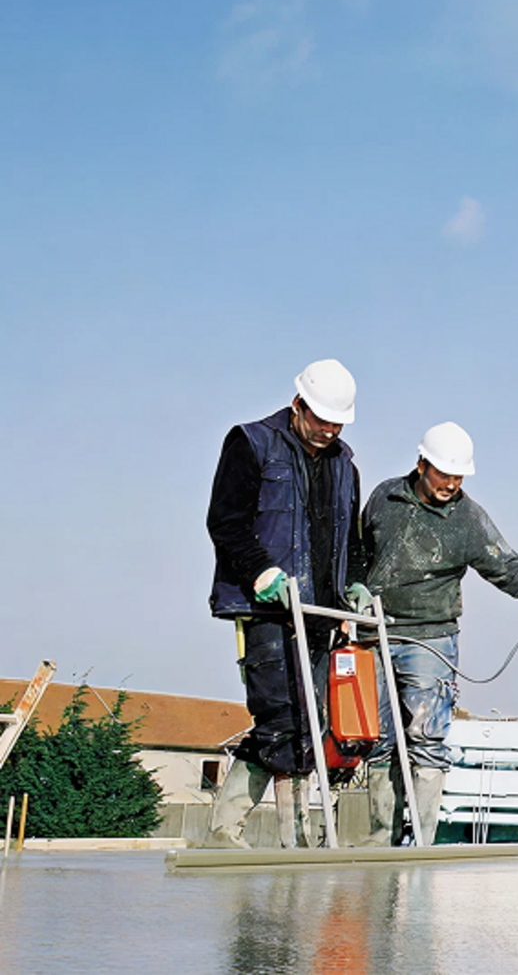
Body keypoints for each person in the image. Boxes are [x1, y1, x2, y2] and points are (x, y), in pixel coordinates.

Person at [355, 421, 518, 845]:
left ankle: (421, 842)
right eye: (444, 474)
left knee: (425, 738)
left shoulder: (468, 519)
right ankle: (381, 841)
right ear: (422, 464)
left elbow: (508, 566)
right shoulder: (384, 497)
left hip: (430, 639)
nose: (451, 484)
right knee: (377, 740)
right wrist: (353, 591)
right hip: (373, 631)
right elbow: (357, 552)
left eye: (458, 477)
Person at [206, 358, 361, 848]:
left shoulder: (345, 465)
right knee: (282, 719)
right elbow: (225, 521)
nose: (329, 431)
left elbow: (350, 542)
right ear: (298, 404)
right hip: (267, 607)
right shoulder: (251, 443)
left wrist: (355, 586)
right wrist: (261, 571)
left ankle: (290, 839)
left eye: (338, 424)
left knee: (312, 721)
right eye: (321, 420)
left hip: (321, 613)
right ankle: (231, 833)